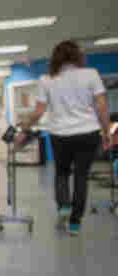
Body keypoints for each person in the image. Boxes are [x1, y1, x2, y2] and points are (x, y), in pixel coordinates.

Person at [17, 40, 112, 236]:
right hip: (88, 132)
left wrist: (24, 128)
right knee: (81, 176)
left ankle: (64, 206)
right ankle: (75, 223)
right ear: (78, 56)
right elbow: (101, 107)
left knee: (61, 173)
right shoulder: (91, 75)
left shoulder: (47, 80)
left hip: (60, 134)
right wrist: (107, 133)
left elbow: (39, 111)